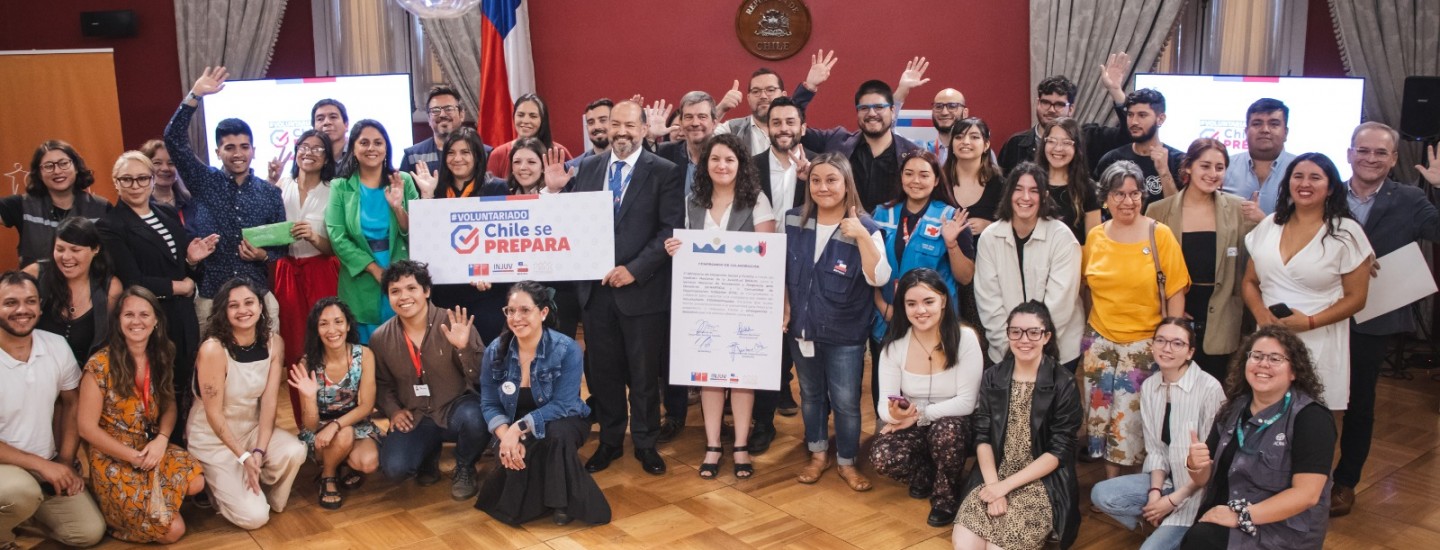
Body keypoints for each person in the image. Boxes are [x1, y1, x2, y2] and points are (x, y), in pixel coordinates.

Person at [541, 100, 684, 476]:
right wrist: (554, 193)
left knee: (643, 373)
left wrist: (633, 270)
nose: (620, 131)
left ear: (642, 129)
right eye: (613, 124)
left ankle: (646, 442)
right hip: (595, 293)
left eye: (628, 125)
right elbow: (565, 226)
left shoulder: (665, 171)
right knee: (602, 373)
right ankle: (609, 440)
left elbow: (669, 229)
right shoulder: (585, 168)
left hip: (643, 290)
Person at [1331, 124, 1440, 516]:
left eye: (1380, 153)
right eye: (1363, 151)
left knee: (1360, 404)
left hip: (1372, 319)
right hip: (1322, 315)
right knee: (1312, 400)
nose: (1371, 159)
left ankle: (1345, 483)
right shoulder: (1327, 193)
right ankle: (1302, 476)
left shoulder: (1410, 199)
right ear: (1349, 154)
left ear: (1394, 159)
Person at [663, 133, 776, 479]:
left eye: (729, 159)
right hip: (704, 301)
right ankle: (713, 445)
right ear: (704, 164)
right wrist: (674, 248)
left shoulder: (757, 200)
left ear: (740, 164)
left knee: (742, 377)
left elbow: (767, 254)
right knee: (709, 374)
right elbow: (684, 246)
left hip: (745, 302)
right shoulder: (692, 201)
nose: (722, 166)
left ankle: (740, 445)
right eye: (715, 159)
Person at [784, 153, 890, 491]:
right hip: (802, 329)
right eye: (816, 180)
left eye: (832, 180)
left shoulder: (866, 226)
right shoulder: (792, 220)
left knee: (845, 401)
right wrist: (785, 305)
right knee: (811, 396)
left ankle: (847, 460)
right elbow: (779, 272)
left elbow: (878, 277)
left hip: (845, 333)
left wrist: (860, 236)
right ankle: (817, 454)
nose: (823, 187)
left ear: (846, 185)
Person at [98, 151, 219, 445]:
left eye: (142, 178)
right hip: (152, 321)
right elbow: (133, 280)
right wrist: (181, 286)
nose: (136, 184)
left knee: (186, 386)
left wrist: (192, 262)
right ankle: (169, 454)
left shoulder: (164, 213)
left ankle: (189, 452)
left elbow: (180, 264)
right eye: (127, 179)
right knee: (164, 392)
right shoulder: (110, 225)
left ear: (152, 180)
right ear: (116, 182)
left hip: (182, 316)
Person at [1180, 326, 1337, 549]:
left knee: (1201, 539)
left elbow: (1307, 495)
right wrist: (1195, 465)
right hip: (1225, 517)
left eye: (1275, 358)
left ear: (1294, 371)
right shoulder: (1234, 407)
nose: (1264, 364)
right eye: (1257, 356)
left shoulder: (1311, 418)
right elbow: (1204, 479)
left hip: (1279, 529)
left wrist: (1241, 515)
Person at [1083, 160, 1190, 479]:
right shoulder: (1096, 237)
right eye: (1118, 194)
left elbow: (1175, 291)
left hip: (1145, 344)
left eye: (1134, 193)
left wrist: (1172, 345)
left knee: (1129, 420)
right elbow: (1086, 288)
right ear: (1105, 198)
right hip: (1099, 342)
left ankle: (1136, 485)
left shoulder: (1160, 235)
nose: (1127, 201)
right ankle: (1109, 483)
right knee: (1100, 416)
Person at [1241, 152, 1372, 412]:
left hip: (1320, 338)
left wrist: (1309, 322)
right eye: (1298, 176)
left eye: (1315, 177)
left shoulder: (1346, 232)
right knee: (1264, 411)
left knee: (1312, 417)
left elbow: (1357, 298)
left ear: (1331, 187)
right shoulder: (1270, 224)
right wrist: (1261, 314)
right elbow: (1249, 281)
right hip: (1270, 337)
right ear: (1288, 182)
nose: (1305, 184)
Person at [477, 281, 611, 526]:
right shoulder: (495, 351)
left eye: (525, 310)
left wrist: (519, 428)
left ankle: (561, 503)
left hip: (563, 418)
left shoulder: (566, 348)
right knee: (519, 451)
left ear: (543, 312)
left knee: (557, 437)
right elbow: (488, 402)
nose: (516, 317)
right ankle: (557, 499)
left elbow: (564, 404)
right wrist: (506, 434)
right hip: (512, 423)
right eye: (510, 310)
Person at [77, 287, 205, 543]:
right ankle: (118, 521)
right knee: (174, 533)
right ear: (118, 321)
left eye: (144, 314)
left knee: (197, 482)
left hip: (150, 447)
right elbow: (86, 429)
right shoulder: (99, 365)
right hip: (113, 457)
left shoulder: (161, 354)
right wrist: (133, 457)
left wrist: (161, 440)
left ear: (156, 320)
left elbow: (169, 405)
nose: (137, 321)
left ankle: (153, 507)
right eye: (129, 315)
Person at [953, 301, 1082, 550]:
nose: (1024, 339)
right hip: (993, 473)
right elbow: (982, 437)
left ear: (1046, 337)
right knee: (965, 546)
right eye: (1016, 331)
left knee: (997, 548)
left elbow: (1059, 451)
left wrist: (1004, 488)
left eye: (1033, 332)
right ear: (1008, 334)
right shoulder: (994, 376)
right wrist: (993, 486)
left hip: (1040, 482)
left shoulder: (1063, 383)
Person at [165, 67, 287, 329]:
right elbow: (173, 139)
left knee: (265, 365)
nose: (238, 153)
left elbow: (282, 250)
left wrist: (263, 256)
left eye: (244, 147)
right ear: (218, 151)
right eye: (229, 148)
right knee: (213, 368)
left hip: (257, 298)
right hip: (213, 298)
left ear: (254, 150)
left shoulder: (270, 194)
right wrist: (195, 94)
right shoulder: (204, 181)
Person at [1090, 318, 1224, 550]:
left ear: (1190, 352)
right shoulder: (1151, 386)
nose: (1167, 348)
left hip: (1198, 495)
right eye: (1160, 340)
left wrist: (1171, 501)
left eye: (1177, 343)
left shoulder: (1210, 388)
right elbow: (1156, 449)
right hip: (1169, 482)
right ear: (1152, 346)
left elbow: (1211, 466)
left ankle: (1176, 531)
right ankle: (1158, 523)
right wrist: (1155, 493)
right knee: (1101, 493)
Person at [186, 278, 305, 530]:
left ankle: (258, 486)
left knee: (295, 450)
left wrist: (259, 452)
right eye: (233, 306)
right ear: (223, 312)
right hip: (213, 439)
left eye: (249, 302)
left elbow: (270, 402)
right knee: (255, 518)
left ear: (261, 307)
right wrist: (242, 456)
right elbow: (213, 415)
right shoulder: (213, 350)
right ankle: (218, 483)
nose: (243, 310)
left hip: (250, 430)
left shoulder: (274, 343)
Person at [0, 271, 107, 548]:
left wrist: (64, 460)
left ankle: (21, 515)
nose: (22, 310)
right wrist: (43, 466)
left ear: (40, 305)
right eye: (10, 303)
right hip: (8, 469)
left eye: (30, 301)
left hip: (43, 463)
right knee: (20, 492)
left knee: (88, 532)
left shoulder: (56, 345)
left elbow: (71, 402)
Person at [870, 268, 982, 527]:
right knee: (882, 455)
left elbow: (966, 402)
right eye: (911, 304)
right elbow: (885, 406)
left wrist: (919, 415)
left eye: (928, 301)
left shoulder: (964, 338)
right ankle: (926, 472)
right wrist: (895, 414)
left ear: (943, 300)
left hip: (957, 423)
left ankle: (946, 496)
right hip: (915, 422)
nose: (920, 310)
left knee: (947, 431)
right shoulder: (894, 346)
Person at [371, 261, 489, 500]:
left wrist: (464, 348)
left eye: (411, 288)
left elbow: (481, 376)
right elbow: (381, 384)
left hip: (455, 409)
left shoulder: (455, 323)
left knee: (476, 418)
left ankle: (465, 465)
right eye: (395, 291)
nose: (404, 297)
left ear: (426, 291)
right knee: (394, 468)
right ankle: (428, 455)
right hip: (416, 415)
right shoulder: (380, 338)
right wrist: (393, 411)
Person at [1146, 139, 1255, 381]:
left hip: (1224, 316)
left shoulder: (1239, 209)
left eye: (1220, 167)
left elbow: (1255, 262)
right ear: (1188, 167)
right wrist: (1171, 307)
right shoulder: (1158, 210)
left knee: (1216, 396)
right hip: (1175, 312)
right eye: (1205, 166)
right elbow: (1148, 268)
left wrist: (1264, 219)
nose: (1212, 174)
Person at [871, 151, 974, 399]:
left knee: (931, 389)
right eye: (909, 174)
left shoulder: (951, 217)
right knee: (887, 391)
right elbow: (869, 267)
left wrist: (951, 244)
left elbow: (965, 277)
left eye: (924, 174)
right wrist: (883, 307)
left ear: (937, 180)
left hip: (934, 322)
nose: (915, 180)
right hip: (886, 319)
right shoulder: (881, 214)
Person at [974, 163, 1085, 371]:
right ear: (1008, 194)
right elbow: (988, 301)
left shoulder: (1062, 237)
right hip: (1005, 351)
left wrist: (1033, 344)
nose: (1025, 197)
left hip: (1057, 350)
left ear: (1044, 196)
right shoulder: (990, 237)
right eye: (1018, 189)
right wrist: (1012, 346)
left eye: (1034, 191)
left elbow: (1060, 304)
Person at [750, 95, 813, 445]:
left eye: (791, 122)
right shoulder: (749, 165)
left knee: (806, 349)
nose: (784, 129)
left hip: (807, 271)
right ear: (767, 128)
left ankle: (817, 432)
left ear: (802, 127)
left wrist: (807, 182)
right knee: (765, 350)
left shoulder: (820, 166)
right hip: (762, 270)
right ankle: (763, 423)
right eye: (777, 123)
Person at [411, 127, 509, 344]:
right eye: (451, 152)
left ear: (477, 155)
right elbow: (426, 239)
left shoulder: (496, 188)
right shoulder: (435, 191)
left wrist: (491, 270)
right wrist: (426, 197)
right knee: (449, 355)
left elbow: (505, 238)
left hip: (485, 291)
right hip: (445, 291)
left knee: (484, 352)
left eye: (465, 152)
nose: (457, 159)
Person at [326, 119, 419, 342]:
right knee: (365, 351)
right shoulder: (341, 186)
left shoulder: (402, 180)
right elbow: (336, 236)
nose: (371, 148)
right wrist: (374, 269)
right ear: (353, 149)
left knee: (404, 347)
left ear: (386, 148)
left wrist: (398, 208)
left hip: (401, 272)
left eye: (378, 142)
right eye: (364, 142)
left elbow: (418, 230)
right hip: (360, 275)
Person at [286, 298, 379, 510]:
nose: (332, 329)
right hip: (319, 431)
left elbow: (366, 405)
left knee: (368, 462)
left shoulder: (364, 355)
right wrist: (309, 397)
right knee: (344, 435)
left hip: (356, 423)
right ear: (316, 329)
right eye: (323, 323)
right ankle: (328, 475)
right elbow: (309, 425)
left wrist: (336, 425)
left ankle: (340, 461)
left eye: (338, 321)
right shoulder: (308, 363)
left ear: (347, 325)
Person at [800, 73, 927, 211]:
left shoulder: (912, 153)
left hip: (892, 230)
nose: (872, 113)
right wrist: (809, 88)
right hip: (843, 229)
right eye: (864, 108)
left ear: (892, 111)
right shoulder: (837, 140)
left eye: (879, 107)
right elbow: (791, 125)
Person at [997, 53, 1132, 174]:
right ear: (1038, 103)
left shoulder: (1089, 138)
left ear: (1071, 109)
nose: (1051, 109)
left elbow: (1129, 135)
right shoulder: (1016, 144)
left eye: (1059, 104)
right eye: (1045, 102)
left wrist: (1116, 91)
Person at [273, 129, 339, 368]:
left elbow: (335, 247)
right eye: (304, 147)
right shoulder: (281, 185)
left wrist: (313, 237)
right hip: (288, 271)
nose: (309, 153)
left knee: (326, 337)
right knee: (294, 344)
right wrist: (270, 184)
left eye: (317, 149)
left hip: (321, 270)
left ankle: (331, 402)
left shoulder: (333, 191)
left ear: (327, 158)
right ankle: (300, 403)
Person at [23, 217, 122, 366]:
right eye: (60, 249)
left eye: (76, 250)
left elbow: (109, 343)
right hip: (35, 370)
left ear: (95, 249)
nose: (66, 257)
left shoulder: (110, 287)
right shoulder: (36, 273)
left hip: (84, 376)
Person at [0, 141, 111, 267]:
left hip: (89, 285)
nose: (57, 171)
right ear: (39, 173)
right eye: (48, 166)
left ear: (76, 167)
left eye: (64, 163)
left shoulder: (102, 208)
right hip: (37, 285)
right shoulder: (22, 205)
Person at [713, 54, 827, 155]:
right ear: (748, 98)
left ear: (783, 95)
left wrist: (810, 86)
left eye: (770, 90)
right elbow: (700, 144)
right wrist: (720, 109)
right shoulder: (733, 129)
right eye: (756, 91)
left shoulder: (795, 130)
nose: (763, 96)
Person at [1096, 89, 1184, 206]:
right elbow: (1099, 205)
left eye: (1142, 115)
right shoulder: (1112, 159)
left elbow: (1178, 212)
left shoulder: (1179, 161)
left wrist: (1164, 172)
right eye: (1130, 115)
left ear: (1160, 119)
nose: (1134, 122)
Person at [1223, 99, 1296, 222]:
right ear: (1246, 131)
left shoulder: (1301, 170)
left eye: (1274, 124)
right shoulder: (1225, 166)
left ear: (1286, 133)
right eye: (1257, 124)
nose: (1265, 130)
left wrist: (1264, 221)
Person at [1034, 117, 1102, 244]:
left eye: (1066, 142)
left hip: (1074, 260)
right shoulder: (1032, 183)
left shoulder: (1088, 188)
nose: (1058, 148)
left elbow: (1093, 243)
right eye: (1052, 141)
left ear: (1077, 148)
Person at [943, 117, 1004, 237]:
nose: (965, 141)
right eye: (959, 137)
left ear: (986, 145)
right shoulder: (939, 182)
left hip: (985, 253)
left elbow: (1014, 223)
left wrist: (990, 225)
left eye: (974, 137)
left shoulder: (1000, 184)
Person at [487, 94, 571, 180]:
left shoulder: (559, 152)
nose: (526, 121)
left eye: (533, 116)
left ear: (542, 120)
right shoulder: (498, 155)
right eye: (520, 115)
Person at [400, 85, 478, 174]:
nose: (442, 114)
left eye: (449, 109)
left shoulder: (483, 153)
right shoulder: (412, 156)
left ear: (462, 115)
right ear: (428, 118)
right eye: (435, 110)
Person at [657, 91, 721, 196]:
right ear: (681, 123)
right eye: (688, 117)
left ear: (714, 123)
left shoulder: (727, 157)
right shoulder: (664, 153)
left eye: (702, 117)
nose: (695, 123)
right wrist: (650, 138)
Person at [138, 139, 195, 225]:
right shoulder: (138, 205)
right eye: (157, 163)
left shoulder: (190, 200)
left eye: (171, 163)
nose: (165, 168)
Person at [566, 98, 614, 171]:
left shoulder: (630, 160)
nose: (597, 127)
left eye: (603, 120)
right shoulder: (573, 168)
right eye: (591, 122)